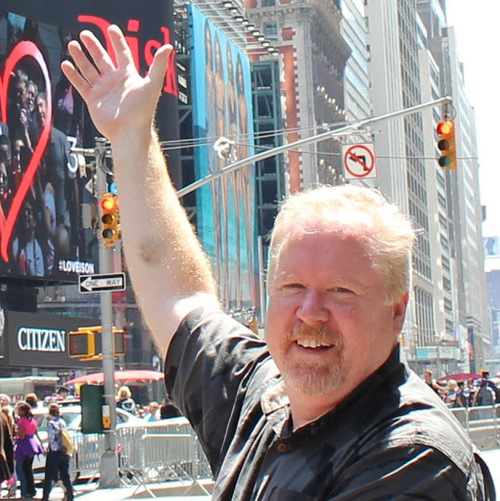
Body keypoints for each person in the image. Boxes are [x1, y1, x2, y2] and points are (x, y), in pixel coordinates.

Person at [61, 25, 495, 499]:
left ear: (397, 311)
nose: (310, 312)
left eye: (341, 291)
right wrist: (131, 139)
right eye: (292, 287)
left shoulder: (413, 459)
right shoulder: (260, 395)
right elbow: (178, 293)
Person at [41, 403, 73, 501]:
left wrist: (46, 444)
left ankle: (45, 497)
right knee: (65, 475)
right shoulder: (62, 421)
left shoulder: (51, 423)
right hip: (64, 450)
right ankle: (70, 495)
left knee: (49, 475)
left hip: (54, 451)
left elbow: (51, 438)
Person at [14, 402, 43, 499]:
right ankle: (31, 490)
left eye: (18, 410)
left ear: (22, 411)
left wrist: (16, 433)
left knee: (21, 469)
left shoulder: (21, 421)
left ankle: (25, 490)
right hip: (33, 443)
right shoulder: (32, 420)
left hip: (24, 445)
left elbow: (21, 435)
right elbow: (35, 432)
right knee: (29, 469)